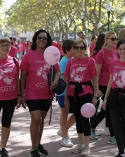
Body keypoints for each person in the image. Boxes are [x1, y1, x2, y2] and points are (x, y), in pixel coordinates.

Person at [20, 29, 61, 157]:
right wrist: (22, 95)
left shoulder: (51, 55)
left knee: (41, 119)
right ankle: (33, 149)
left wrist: (55, 81)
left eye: (44, 38)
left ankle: (38, 144)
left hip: (47, 93)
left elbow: (58, 71)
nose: (41, 40)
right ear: (35, 40)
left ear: (47, 41)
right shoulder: (28, 56)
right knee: (36, 119)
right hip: (32, 93)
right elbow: (23, 76)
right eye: (39, 38)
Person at [64, 39, 98, 156]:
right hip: (73, 93)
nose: (79, 50)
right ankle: (80, 144)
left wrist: (95, 95)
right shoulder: (71, 61)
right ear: (73, 49)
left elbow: (94, 78)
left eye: (81, 48)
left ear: (85, 49)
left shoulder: (90, 61)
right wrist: (65, 97)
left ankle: (87, 147)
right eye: (76, 47)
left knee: (85, 119)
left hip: (86, 92)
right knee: (78, 119)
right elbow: (67, 80)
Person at [90, 31, 118, 145]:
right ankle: (113, 136)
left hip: (114, 85)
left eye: (116, 39)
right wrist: (96, 89)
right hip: (103, 85)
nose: (115, 41)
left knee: (107, 109)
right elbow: (97, 72)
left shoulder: (116, 53)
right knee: (110, 108)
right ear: (106, 40)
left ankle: (91, 128)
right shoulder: (102, 53)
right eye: (112, 39)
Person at [0, 38, 21, 157]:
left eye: (7, 45)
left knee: (6, 123)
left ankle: (3, 148)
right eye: (2, 45)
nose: (5, 47)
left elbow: (17, 80)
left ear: (10, 47)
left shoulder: (14, 60)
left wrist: (19, 95)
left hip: (10, 98)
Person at [56, 39, 75, 147]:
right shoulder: (64, 61)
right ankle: (64, 137)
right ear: (67, 50)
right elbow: (65, 78)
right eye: (74, 48)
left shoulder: (73, 60)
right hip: (63, 92)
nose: (77, 50)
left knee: (77, 112)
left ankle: (63, 130)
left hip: (72, 91)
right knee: (64, 113)